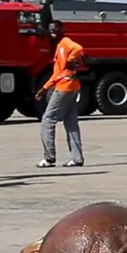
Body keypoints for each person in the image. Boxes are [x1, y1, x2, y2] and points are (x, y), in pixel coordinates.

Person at [39, 25, 88, 171]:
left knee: (48, 119)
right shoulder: (60, 46)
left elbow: (78, 48)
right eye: (51, 31)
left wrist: (71, 58)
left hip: (64, 87)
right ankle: (77, 158)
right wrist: (45, 88)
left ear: (61, 31)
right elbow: (57, 73)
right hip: (72, 86)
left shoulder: (65, 43)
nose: (52, 33)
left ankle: (49, 157)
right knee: (71, 122)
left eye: (55, 30)